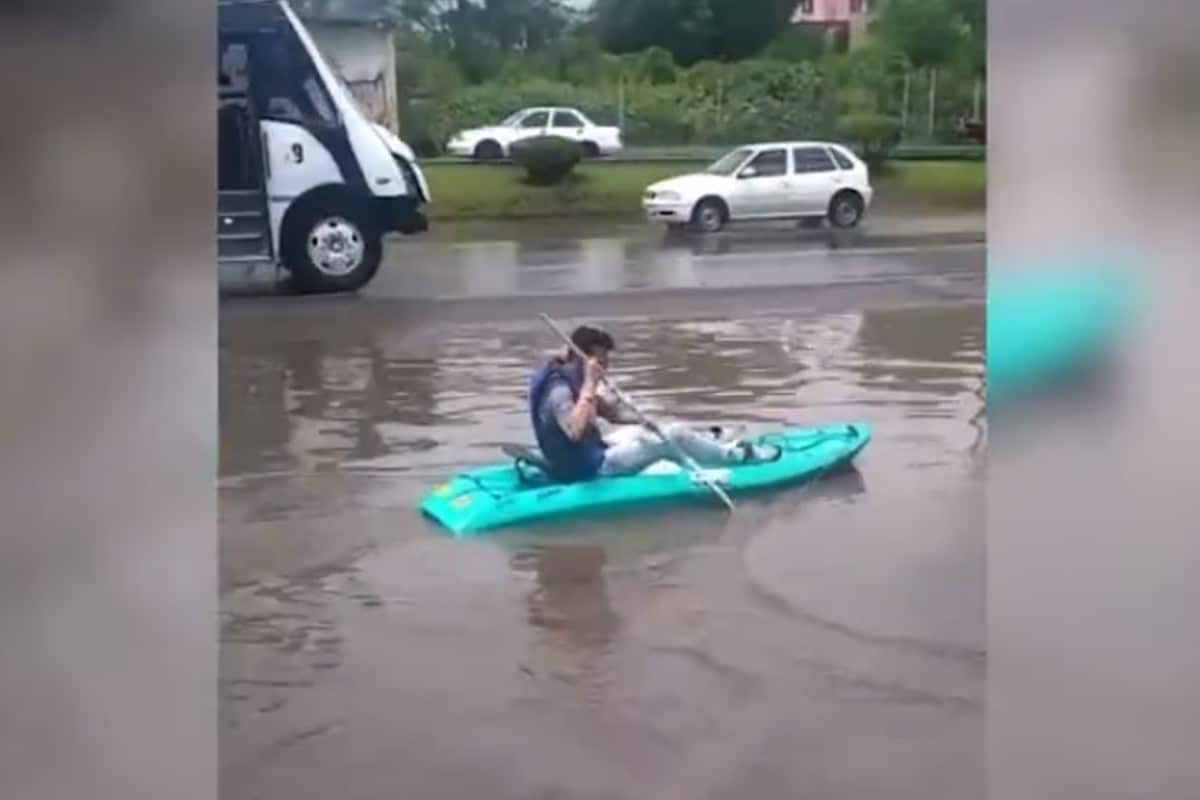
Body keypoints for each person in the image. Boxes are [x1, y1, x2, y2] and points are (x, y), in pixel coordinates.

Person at [527, 324, 779, 482]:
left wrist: (642, 419)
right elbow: (575, 431)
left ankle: (707, 442)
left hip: (592, 453)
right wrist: (591, 384)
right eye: (601, 362)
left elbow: (611, 414)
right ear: (580, 358)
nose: (606, 368)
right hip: (590, 469)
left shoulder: (572, 378)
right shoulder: (559, 391)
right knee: (675, 435)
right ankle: (737, 457)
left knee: (648, 430)